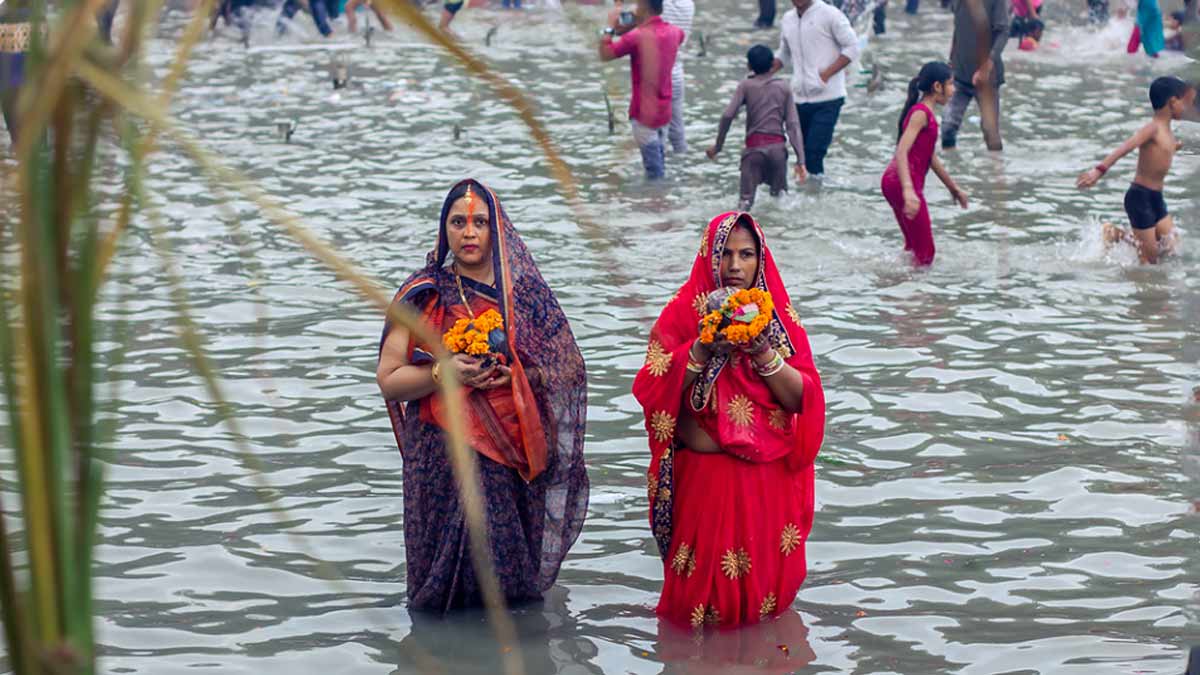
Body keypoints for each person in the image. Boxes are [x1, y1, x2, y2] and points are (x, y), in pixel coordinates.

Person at [376, 179, 589, 611]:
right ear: (445, 230)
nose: (469, 233)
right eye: (458, 222)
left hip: (511, 455)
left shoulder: (524, 296)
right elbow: (389, 377)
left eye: (480, 223)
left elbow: (568, 369)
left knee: (508, 581)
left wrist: (516, 377)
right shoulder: (424, 294)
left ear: (498, 229)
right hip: (442, 456)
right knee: (444, 591)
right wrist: (443, 372)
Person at [633, 212, 826, 629]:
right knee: (693, 614)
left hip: (765, 483)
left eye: (746, 254)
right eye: (725, 254)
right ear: (709, 256)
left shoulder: (776, 320)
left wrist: (763, 353)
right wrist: (701, 348)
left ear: (760, 260)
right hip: (705, 483)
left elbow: (804, 398)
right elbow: (650, 388)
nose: (735, 266)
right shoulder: (682, 314)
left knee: (763, 611)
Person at [1076, 77, 1195, 264]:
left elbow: (1162, 152)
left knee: (1170, 248)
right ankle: (1114, 234)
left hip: (1156, 198)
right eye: (1186, 103)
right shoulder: (1152, 128)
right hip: (1140, 197)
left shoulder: (1168, 132)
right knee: (1149, 261)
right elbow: (1125, 147)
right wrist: (1098, 171)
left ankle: (1119, 235)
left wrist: (1175, 147)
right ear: (1173, 101)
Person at [881, 62, 969, 267]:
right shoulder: (921, 114)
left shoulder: (923, 112)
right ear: (937, 87)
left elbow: (929, 156)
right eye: (950, 84)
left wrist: (953, 188)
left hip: (893, 181)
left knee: (913, 248)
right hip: (901, 182)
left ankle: (896, 281)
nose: (954, 89)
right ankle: (912, 287)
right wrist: (908, 190)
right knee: (926, 254)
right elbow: (901, 151)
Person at [706, 45, 807, 210]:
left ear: (749, 66)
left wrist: (718, 146)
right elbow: (793, 125)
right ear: (773, 63)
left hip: (754, 151)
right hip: (778, 152)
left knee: (745, 202)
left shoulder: (746, 85)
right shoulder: (784, 87)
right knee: (780, 199)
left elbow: (728, 115)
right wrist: (800, 160)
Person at [770, 0, 860, 179]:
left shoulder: (830, 14)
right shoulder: (788, 19)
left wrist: (826, 74)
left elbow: (852, 47)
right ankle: (807, 191)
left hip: (829, 98)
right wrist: (762, 73)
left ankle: (817, 191)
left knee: (814, 153)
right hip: (798, 98)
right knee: (801, 155)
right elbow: (784, 53)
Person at [598, 0, 685, 180]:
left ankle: (654, 197)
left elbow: (605, 54)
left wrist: (609, 28)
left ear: (644, 7)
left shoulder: (637, 36)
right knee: (659, 164)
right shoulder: (676, 32)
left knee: (654, 174)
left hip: (643, 115)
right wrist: (640, 22)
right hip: (664, 112)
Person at [942, 0, 1010, 151]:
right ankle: (948, 162)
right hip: (960, 73)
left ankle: (995, 162)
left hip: (987, 79)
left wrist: (986, 67)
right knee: (948, 127)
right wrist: (951, 62)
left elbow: (1003, 32)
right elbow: (958, 29)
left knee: (990, 131)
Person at [662, 0, 694, 155]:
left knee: (657, 133)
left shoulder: (662, 6)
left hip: (658, 76)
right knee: (677, 129)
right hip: (677, 75)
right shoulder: (688, 5)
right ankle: (682, 163)